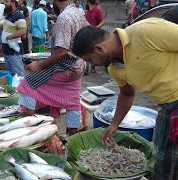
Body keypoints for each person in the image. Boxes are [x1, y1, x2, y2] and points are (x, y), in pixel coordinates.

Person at [72, 18, 178, 179]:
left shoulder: (146, 31)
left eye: (89, 60)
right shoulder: (115, 68)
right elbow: (127, 93)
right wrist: (114, 125)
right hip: (166, 108)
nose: (92, 65)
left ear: (99, 49)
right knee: (162, 163)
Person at [18, 0, 88, 137]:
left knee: (27, 84)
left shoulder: (64, 17)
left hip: (67, 65)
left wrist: (39, 65)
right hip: (79, 65)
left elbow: (61, 51)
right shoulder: (79, 12)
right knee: (72, 101)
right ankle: (72, 136)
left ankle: (31, 131)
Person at [0, 0, 27, 76]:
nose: (5, 4)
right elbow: (5, 32)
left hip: (14, 51)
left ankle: (20, 87)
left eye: (7, 2)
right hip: (6, 49)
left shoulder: (19, 16)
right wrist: (1, 46)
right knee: (10, 73)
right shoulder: (9, 15)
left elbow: (23, 30)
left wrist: (10, 37)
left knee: (18, 73)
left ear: (13, 3)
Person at [84, 0, 104, 73]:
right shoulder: (87, 12)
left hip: (94, 35)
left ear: (88, 2)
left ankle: (92, 66)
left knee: (93, 51)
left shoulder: (97, 10)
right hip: (86, 33)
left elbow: (103, 21)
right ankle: (86, 68)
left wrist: (96, 28)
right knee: (86, 50)